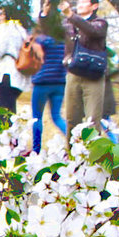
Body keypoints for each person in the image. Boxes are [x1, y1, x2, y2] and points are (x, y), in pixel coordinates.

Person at [61, 0, 114, 139]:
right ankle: (71, 157)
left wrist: (71, 15)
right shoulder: (68, 23)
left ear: (94, 6)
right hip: (73, 73)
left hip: (94, 75)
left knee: (92, 121)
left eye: (84, 2)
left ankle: (92, 158)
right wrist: (44, 14)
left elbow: (92, 31)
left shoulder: (101, 23)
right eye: (79, 1)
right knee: (72, 120)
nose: (80, 4)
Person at [26, 16, 68, 154]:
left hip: (42, 83)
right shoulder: (63, 42)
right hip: (60, 83)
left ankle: (36, 150)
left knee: (37, 117)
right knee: (56, 116)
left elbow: (36, 56)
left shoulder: (40, 40)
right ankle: (74, 140)